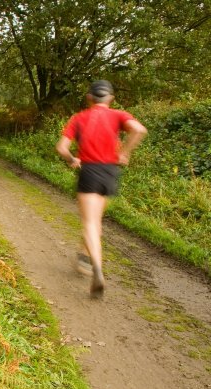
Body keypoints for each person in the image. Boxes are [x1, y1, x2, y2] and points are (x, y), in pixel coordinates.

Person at [55, 80, 147, 297]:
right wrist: (125, 152)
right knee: (97, 221)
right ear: (110, 99)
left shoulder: (79, 118)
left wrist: (71, 159)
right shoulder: (118, 115)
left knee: (89, 223)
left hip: (89, 171)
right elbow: (139, 130)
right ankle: (84, 258)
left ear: (89, 98)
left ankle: (97, 268)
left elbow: (61, 147)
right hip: (110, 173)